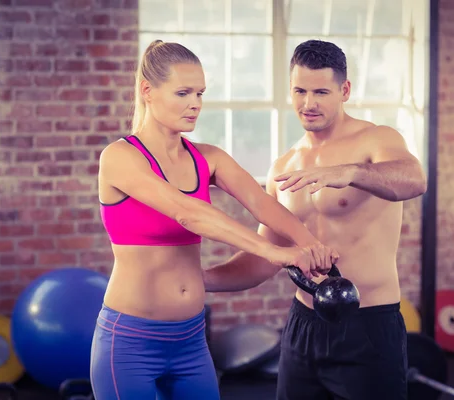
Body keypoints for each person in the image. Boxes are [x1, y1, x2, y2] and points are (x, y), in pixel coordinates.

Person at [89, 39, 339, 400]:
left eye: (200, 94)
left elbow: (263, 203)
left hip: (190, 341)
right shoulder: (120, 158)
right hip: (130, 341)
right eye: (183, 93)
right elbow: (189, 213)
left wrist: (308, 243)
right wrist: (275, 252)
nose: (195, 104)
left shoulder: (208, 157)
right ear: (147, 91)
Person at [203, 39, 428, 400]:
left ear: (345, 91)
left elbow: (414, 179)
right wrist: (197, 281)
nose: (309, 103)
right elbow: (263, 259)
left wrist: (349, 172)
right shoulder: (285, 167)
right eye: (300, 91)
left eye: (321, 91)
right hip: (304, 325)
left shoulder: (376, 140)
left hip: (367, 325)